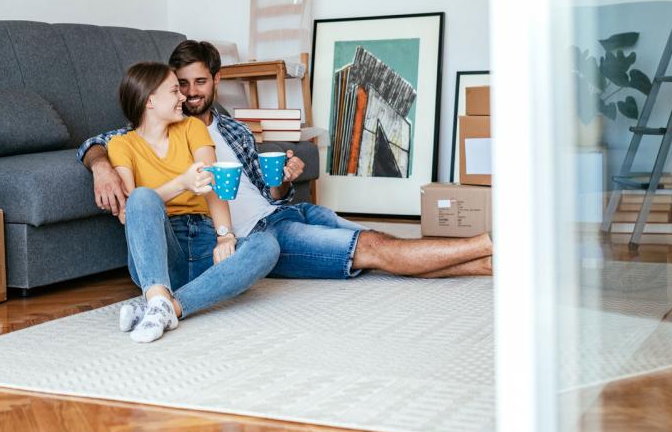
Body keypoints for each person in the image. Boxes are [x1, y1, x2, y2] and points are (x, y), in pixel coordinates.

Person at [80, 41, 493, 281]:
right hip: (253, 232)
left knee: (378, 242)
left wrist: (286, 179)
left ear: (216, 82)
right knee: (373, 248)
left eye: (199, 82)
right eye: (180, 85)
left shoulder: (234, 130)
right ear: (164, 91)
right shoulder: (160, 130)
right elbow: (102, 142)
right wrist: (99, 165)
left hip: (284, 210)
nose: (188, 94)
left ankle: (489, 264)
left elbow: (266, 190)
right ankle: (492, 244)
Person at [105, 61, 279, 343]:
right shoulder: (121, 145)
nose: (183, 97)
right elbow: (129, 212)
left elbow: (214, 184)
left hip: (204, 244)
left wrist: (225, 237)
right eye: (175, 90)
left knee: (266, 245)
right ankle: (160, 295)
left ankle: (164, 306)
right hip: (160, 251)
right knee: (141, 196)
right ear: (150, 100)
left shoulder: (192, 128)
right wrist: (181, 184)